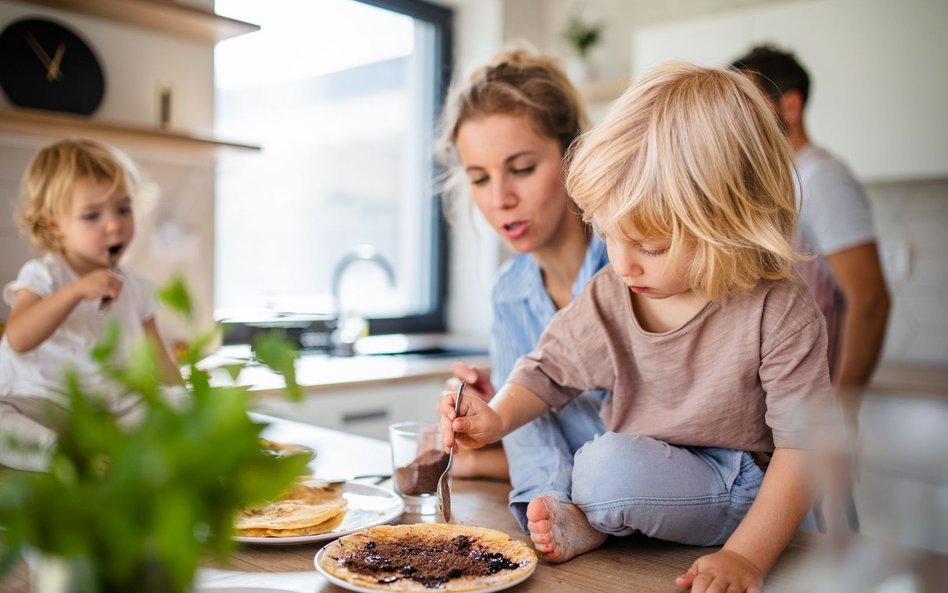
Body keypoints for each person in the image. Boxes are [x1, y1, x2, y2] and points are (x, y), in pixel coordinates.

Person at [440, 62, 836, 593]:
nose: (623, 264)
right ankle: (596, 521)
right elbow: (545, 371)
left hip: (736, 489)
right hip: (644, 484)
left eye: (649, 246)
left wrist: (745, 557)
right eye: (609, 236)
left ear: (729, 221)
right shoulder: (613, 289)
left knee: (607, 470)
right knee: (605, 468)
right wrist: (494, 419)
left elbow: (802, 449)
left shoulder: (780, 310)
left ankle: (602, 516)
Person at [435, 48, 610, 527]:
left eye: (523, 168)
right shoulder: (508, 293)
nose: (500, 200)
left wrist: (488, 458)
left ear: (573, 153)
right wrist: (491, 419)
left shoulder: (635, 263)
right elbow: (540, 445)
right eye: (479, 178)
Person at [729, 45, 890, 426]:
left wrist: (839, 410)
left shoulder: (823, 180)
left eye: (750, 106)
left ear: (790, 108)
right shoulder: (780, 184)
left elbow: (870, 301)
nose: (737, 121)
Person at [0, 139, 181, 414]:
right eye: (92, 215)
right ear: (56, 226)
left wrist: (188, 409)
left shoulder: (137, 289)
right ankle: (51, 452)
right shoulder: (44, 274)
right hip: (41, 401)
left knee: (172, 402)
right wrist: (75, 291)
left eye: (123, 209)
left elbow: (161, 361)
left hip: (106, 407)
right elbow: (17, 338)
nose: (114, 225)